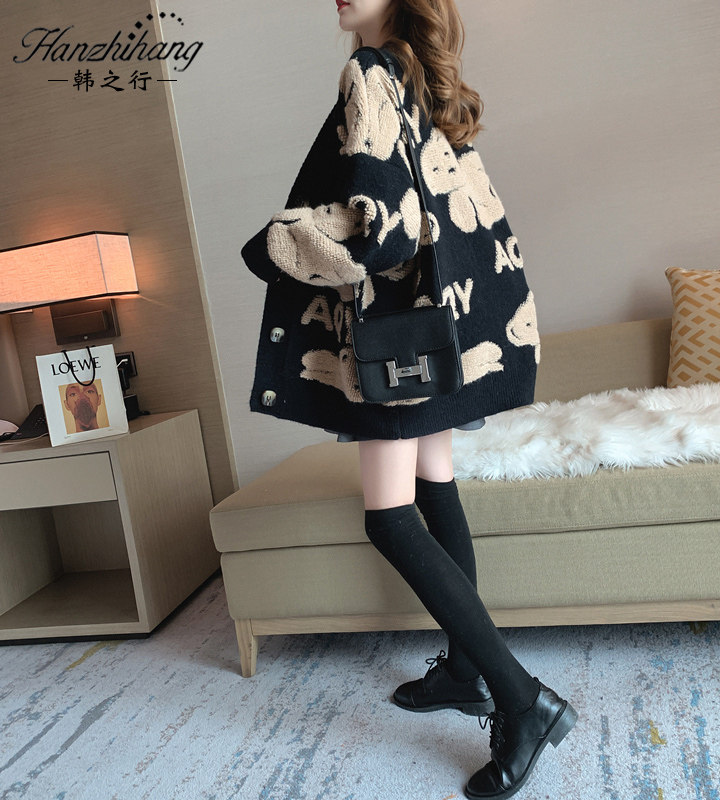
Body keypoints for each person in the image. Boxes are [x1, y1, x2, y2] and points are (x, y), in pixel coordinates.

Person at [241, 1, 578, 797]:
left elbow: (380, 229)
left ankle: (521, 700)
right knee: (435, 488)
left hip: (395, 340)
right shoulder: (418, 77)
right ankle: (465, 673)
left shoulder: (370, 72)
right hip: (439, 331)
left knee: (389, 517)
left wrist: (280, 241)